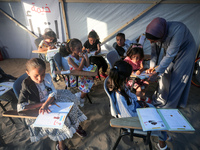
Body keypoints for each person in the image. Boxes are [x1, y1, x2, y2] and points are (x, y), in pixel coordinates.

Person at [17, 58, 87, 150]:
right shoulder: (26, 84)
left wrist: (47, 102)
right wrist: (42, 105)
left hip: (50, 101)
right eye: (36, 76)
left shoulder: (47, 77)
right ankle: (61, 144)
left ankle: (75, 125)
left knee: (71, 101)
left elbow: (53, 92)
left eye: (42, 74)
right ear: (28, 73)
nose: (40, 78)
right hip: (40, 107)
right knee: (60, 119)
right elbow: (21, 106)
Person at [107, 60, 169, 150]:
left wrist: (141, 103)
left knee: (155, 110)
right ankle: (162, 144)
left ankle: (163, 138)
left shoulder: (121, 86)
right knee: (162, 124)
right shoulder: (120, 97)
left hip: (137, 111)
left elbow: (132, 97)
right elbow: (128, 117)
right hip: (134, 119)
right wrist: (143, 112)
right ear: (126, 79)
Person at [145, 17, 197, 108]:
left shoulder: (178, 29)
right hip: (170, 49)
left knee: (178, 78)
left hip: (186, 51)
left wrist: (156, 72)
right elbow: (154, 52)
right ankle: (161, 99)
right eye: (150, 41)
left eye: (153, 41)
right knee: (165, 74)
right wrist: (152, 67)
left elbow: (170, 55)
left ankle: (169, 105)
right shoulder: (155, 32)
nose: (152, 43)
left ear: (161, 36)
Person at [68, 38, 94, 107]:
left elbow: (87, 65)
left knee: (91, 82)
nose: (81, 50)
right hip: (75, 78)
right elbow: (79, 69)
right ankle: (80, 97)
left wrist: (86, 57)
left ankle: (79, 96)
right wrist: (82, 58)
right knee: (86, 88)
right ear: (72, 49)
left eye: (81, 48)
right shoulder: (70, 59)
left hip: (82, 76)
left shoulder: (79, 56)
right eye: (78, 48)